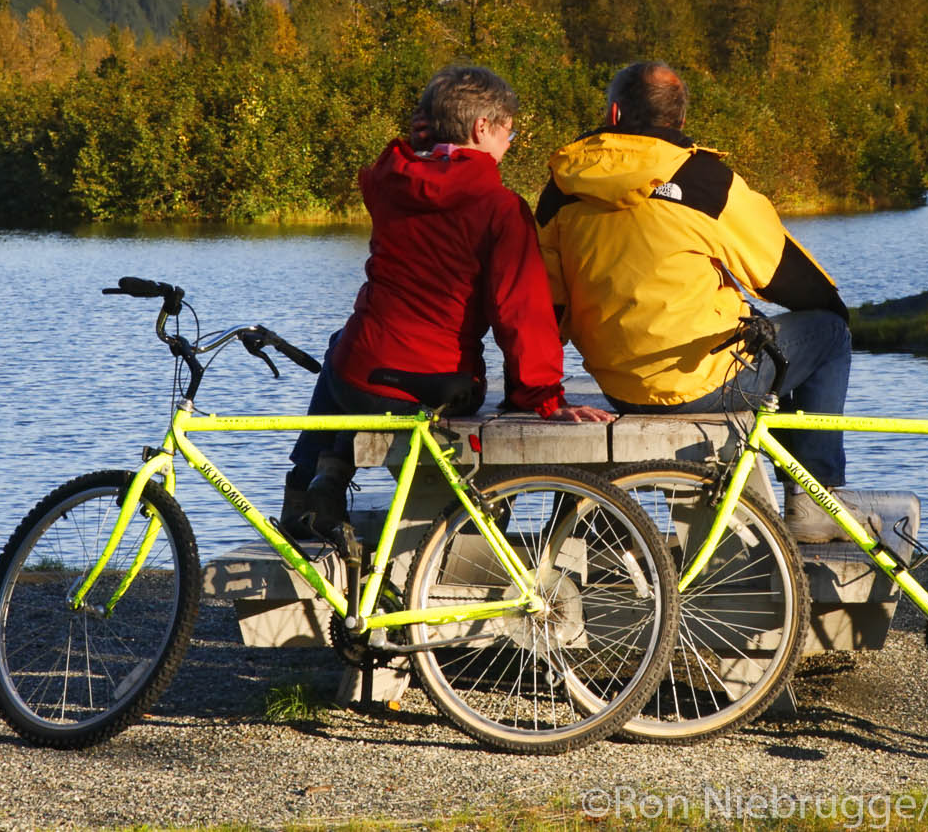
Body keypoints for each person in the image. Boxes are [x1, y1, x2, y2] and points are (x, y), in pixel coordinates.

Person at [283, 66, 614, 541]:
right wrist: (541, 398)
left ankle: (314, 480)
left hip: (358, 380)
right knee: (367, 353)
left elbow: (387, 164)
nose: (510, 142)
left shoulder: (389, 184)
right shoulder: (500, 207)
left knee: (347, 346)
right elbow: (520, 313)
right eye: (508, 131)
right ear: (483, 128)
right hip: (436, 385)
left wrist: (418, 140)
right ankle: (457, 533)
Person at [535, 61, 854, 541]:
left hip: (618, 385)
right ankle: (815, 499)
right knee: (827, 335)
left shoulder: (562, 187)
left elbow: (549, 304)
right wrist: (833, 306)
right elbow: (780, 271)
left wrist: (539, 387)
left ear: (615, 113)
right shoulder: (705, 180)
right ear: (679, 121)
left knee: (766, 330)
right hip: (701, 383)